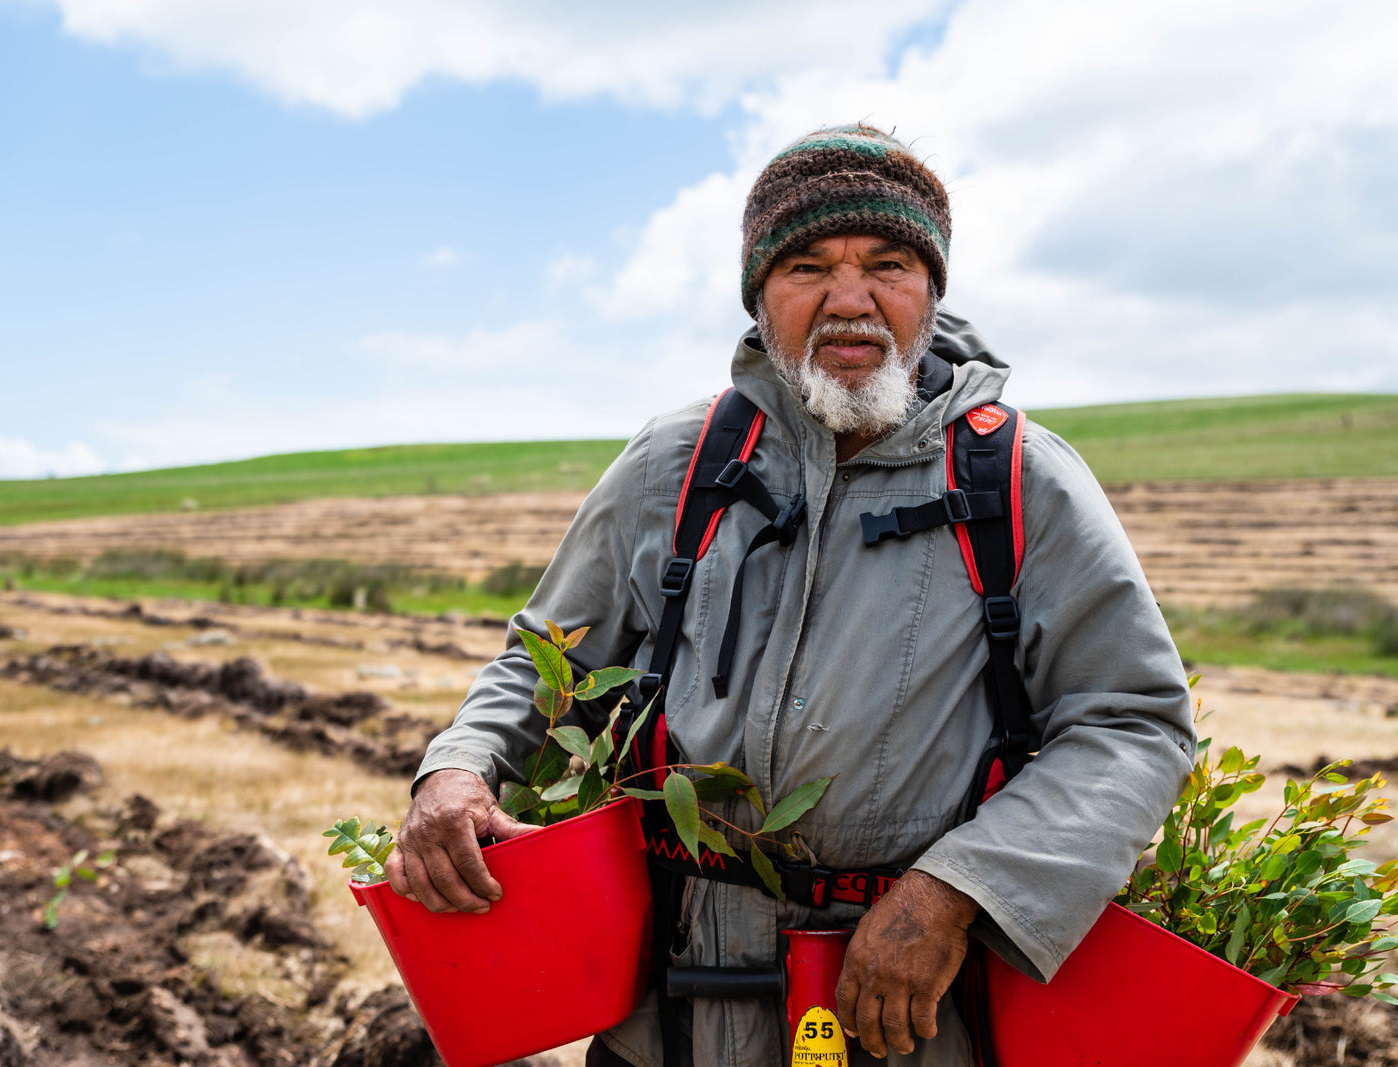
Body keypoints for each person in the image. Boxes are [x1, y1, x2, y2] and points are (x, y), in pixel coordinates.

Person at [386, 124, 1195, 1066]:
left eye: (887, 264)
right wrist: (458, 765)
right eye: (808, 265)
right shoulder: (675, 464)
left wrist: (956, 891)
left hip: (906, 1012)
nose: (849, 301)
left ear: (930, 291)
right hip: (672, 1009)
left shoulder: (1018, 479)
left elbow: (1134, 720)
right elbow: (544, 658)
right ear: (760, 295)